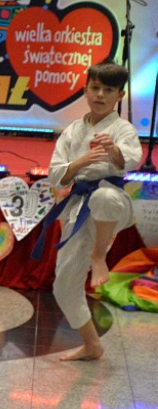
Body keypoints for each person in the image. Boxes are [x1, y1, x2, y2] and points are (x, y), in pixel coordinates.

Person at [34, 61, 142, 361]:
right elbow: (56, 174)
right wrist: (79, 163)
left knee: (104, 196)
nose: (100, 95)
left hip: (113, 203)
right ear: (85, 90)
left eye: (108, 90)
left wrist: (113, 151)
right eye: (95, 88)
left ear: (119, 96)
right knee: (64, 286)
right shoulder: (72, 131)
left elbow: (131, 160)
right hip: (79, 206)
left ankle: (99, 256)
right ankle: (92, 344)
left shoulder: (122, 129)